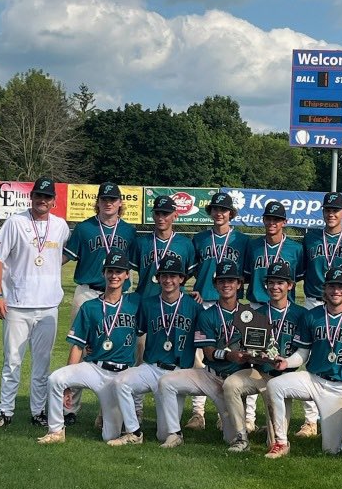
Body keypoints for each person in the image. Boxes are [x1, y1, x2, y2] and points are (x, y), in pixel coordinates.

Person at [264, 262, 342, 459]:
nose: (336, 290)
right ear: (324, 288)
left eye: (341, 286)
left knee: (331, 450)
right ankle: (281, 442)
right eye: (332, 285)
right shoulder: (312, 315)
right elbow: (303, 352)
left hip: (339, 387)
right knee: (275, 385)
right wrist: (287, 362)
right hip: (313, 379)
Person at [0, 177, 69, 429]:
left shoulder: (61, 226)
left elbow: (60, 256)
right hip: (17, 305)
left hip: (48, 306)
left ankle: (37, 412)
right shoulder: (15, 222)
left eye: (47, 197)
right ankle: (5, 411)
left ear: (54, 201)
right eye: (38, 195)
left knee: (42, 364)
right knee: (12, 361)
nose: (42, 200)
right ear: (31, 197)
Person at [37, 249, 139, 445]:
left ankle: (119, 422)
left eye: (119, 271)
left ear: (127, 274)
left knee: (109, 436)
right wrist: (68, 385)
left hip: (120, 375)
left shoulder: (135, 302)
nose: (114, 276)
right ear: (103, 273)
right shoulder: (90, 306)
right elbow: (77, 346)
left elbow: (165, 295)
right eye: (110, 271)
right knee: (56, 379)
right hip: (94, 367)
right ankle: (56, 430)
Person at [62, 181, 138, 423]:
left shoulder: (128, 231)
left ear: (120, 203)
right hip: (88, 291)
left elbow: (139, 263)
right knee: (81, 347)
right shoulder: (85, 228)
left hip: (119, 295)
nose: (108, 203)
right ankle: (70, 408)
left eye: (113, 199)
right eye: (104, 199)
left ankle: (108, 410)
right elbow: (63, 257)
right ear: (98, 202)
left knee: (118, 350)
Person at [108, 253, 201, 446]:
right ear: (157, 278)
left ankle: (174, 433)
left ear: (182, 279)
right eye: (164, 276)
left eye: (173, 276)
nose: (168, 280)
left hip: (177, 372)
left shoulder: (193, 306)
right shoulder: (149, 304)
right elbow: (132, 331)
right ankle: (133, 432)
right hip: (151, 368)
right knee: (120, 383)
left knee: (164, 434)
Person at [297, 192, 342, 438]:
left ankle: (340, 419)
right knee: (309, 359)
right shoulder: (311, 238)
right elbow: (302, 267)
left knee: (341, 359)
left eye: (336, 210)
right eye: (327, 210)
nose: (331, 214)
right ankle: (310, 420)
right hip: (313, 301)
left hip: (341, 305)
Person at [157, 258, 245, 448]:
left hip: (234, 382)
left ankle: (241, 427)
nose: (226, 285)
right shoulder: (206, 314)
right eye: (221, 281)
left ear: (239, 284)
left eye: (230, 280)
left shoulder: (250, 315)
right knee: (167, 381)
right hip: (210, 376)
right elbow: (209, 352)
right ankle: (174, 433)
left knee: (231, 438)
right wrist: (229, 355)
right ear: (215, 285)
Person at [224, 259, 307, 453]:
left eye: (280, 282)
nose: (275, 287)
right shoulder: (255, 313)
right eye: (271, 282)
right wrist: (250, 354)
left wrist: (286, 362)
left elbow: (304, 351)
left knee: (275, 443)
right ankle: (240, 438)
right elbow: (246, 345)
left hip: (285, 378)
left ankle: (275, 435)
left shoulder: (301, 314)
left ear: (290, 285)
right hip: (259, 373)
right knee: (231, 384)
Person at [187, 192, 251, 431]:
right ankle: (198, 413)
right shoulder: (200, 238)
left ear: (231, 213)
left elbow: (245, 273)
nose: (219, 213)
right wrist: (199, 289)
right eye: (215, 209)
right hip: (205, 302)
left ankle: (244, 414)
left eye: (223, 210)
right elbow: (192, 270)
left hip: (233, 306)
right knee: (200, 360)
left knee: (241, 358)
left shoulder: (242, 241)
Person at [134, 194, 196, 300]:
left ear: (175, 216)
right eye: (157, 213)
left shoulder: (185, 244)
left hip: (175, 303)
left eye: (165, 214)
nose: (161, 218)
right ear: (153, 215)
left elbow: (190, 273)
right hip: (145, 300)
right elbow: (128, 271)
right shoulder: (141, 242)